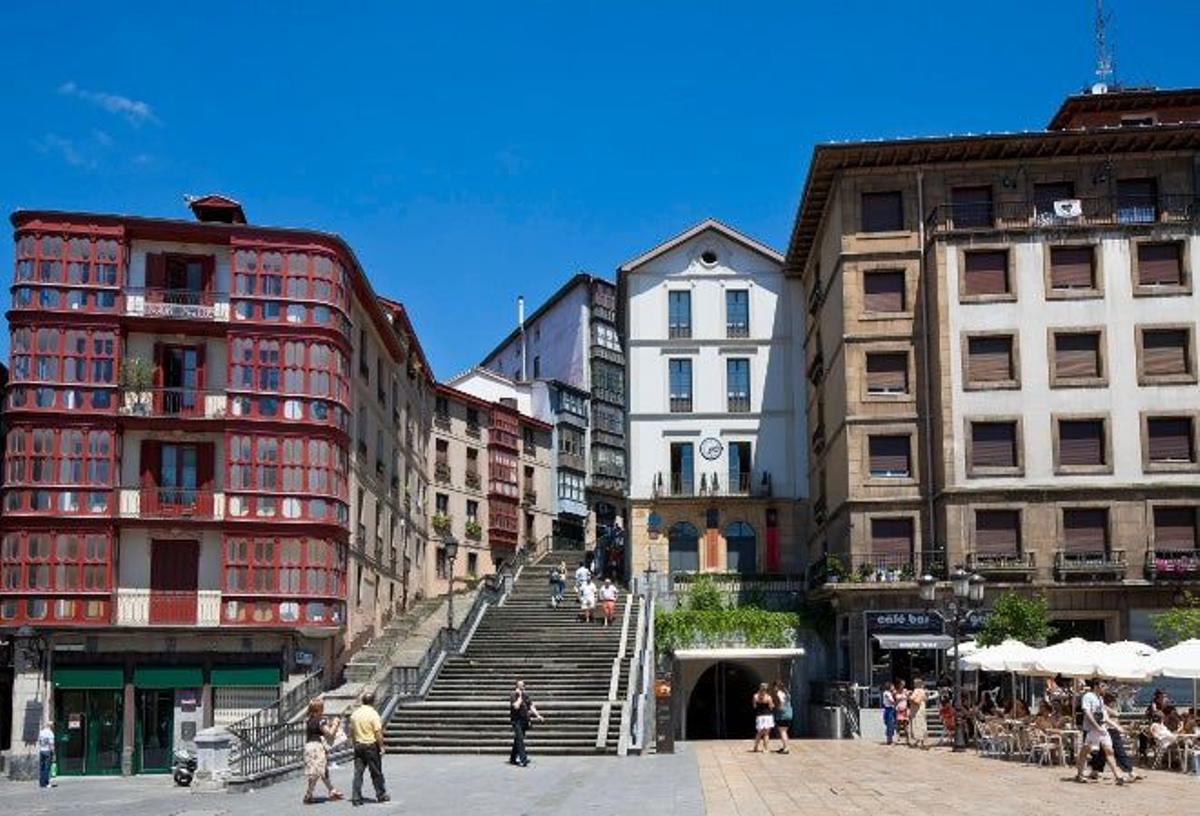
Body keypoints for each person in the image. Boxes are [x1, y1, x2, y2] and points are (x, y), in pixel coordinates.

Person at [1074, 680, 1133, 785]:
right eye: (1103, 686)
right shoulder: (1088, 696)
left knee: (1109, 751)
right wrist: (1097, 726)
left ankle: (1118, 776)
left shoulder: (1100, 699)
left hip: (1101, 729)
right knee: (1085, 751)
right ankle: (1079, 774)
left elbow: (1104, 716)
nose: (1105, 688)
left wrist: (1118, 727)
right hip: (1091, 730)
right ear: (1096, 686)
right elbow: (1087, 712)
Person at [348, 691, 388, 806]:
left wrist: (354, 742)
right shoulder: (373, 714)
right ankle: (380, 794)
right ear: (373, 701)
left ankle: (356, 797)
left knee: (358, 772)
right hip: (371, 746)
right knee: (376, 772)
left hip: (359, 745)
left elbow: (351, 731)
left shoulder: (355, 714)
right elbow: (378, 733)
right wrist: (381, 746)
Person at [303, 698, 344, 804]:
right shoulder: (321, 720)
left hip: (309, 746)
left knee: (322, 770)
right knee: (316, 772)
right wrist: (335, 724)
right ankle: (308, 794)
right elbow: (329, 734)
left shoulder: (309, 719)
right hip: (317, 747)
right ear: (319, 708)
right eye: (322, 707)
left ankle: (332, 790)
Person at [509, 679, 543, 767]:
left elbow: (531, 706)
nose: (521, 688)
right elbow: (516, 706)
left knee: (518, 739)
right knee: (520, 739)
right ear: (516, 687)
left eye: (522, 686)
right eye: (519, 686)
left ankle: (512, 758)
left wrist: (538, 715)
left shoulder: (526, 695)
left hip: (524, 720)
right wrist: (519, 697)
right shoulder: (513, 695)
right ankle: (523, 759)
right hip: (516, 721)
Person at [752, 683, 775, 753]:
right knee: (766, 734)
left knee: (759, 733)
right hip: (768, 716)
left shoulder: (755, 696)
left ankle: (755, 747)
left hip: (760, 716)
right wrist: (772, 704)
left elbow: (754, 706)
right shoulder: (768, 697)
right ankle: (765, 749)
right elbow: (771, 707)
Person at [772, 680, 792, 754]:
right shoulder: (787, 693)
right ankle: (785, 747)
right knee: (785, 731)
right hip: (789, 714)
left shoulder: (779, 693)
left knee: (782, 732)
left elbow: (781, 704)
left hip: (783, 715)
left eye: (774, 687)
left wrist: (777, 708)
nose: (774, 689)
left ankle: (786, 748)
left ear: (777, 687)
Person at [908, 678, 928, 749]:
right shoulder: (923, 691)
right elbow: (925, 699)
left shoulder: (916, 691)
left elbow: (914, 699)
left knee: (917, 725)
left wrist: (908, 696)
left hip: (916, 711)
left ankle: (918, 742)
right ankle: (923, 742)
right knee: (922, 724)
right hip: (922, 710)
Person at [36, 721, 55, 789]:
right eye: (53, 726)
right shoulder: (50, 733)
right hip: (47, 751)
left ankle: (41, 783)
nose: (53, 727)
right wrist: (53, 753)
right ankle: (47, 783)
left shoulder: (41, 732)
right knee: (47, 767)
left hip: (41, 751)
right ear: (51, 726)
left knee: (42, 767)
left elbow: (39, 741)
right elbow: (51, 744)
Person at [882, 681, 897, 745]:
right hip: (889, 709)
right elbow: (891, 701)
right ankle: (889, 739)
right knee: (890, 724)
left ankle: (889, 739)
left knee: (890, 724)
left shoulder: (887, 693)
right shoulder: (887, 693)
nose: (893, 687)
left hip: (888, 709)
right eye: (892, 686)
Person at [894, 679, 909, 744]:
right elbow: (895, 701)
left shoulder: (905, 691)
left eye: (903, 684)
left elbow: (908, 697)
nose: (903, 685)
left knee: (905, 725)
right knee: (898, 725)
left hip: (904, 708)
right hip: (899, 709)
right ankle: (897, 737)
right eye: (902, 684)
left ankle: (907, 739)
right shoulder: (896, 692)